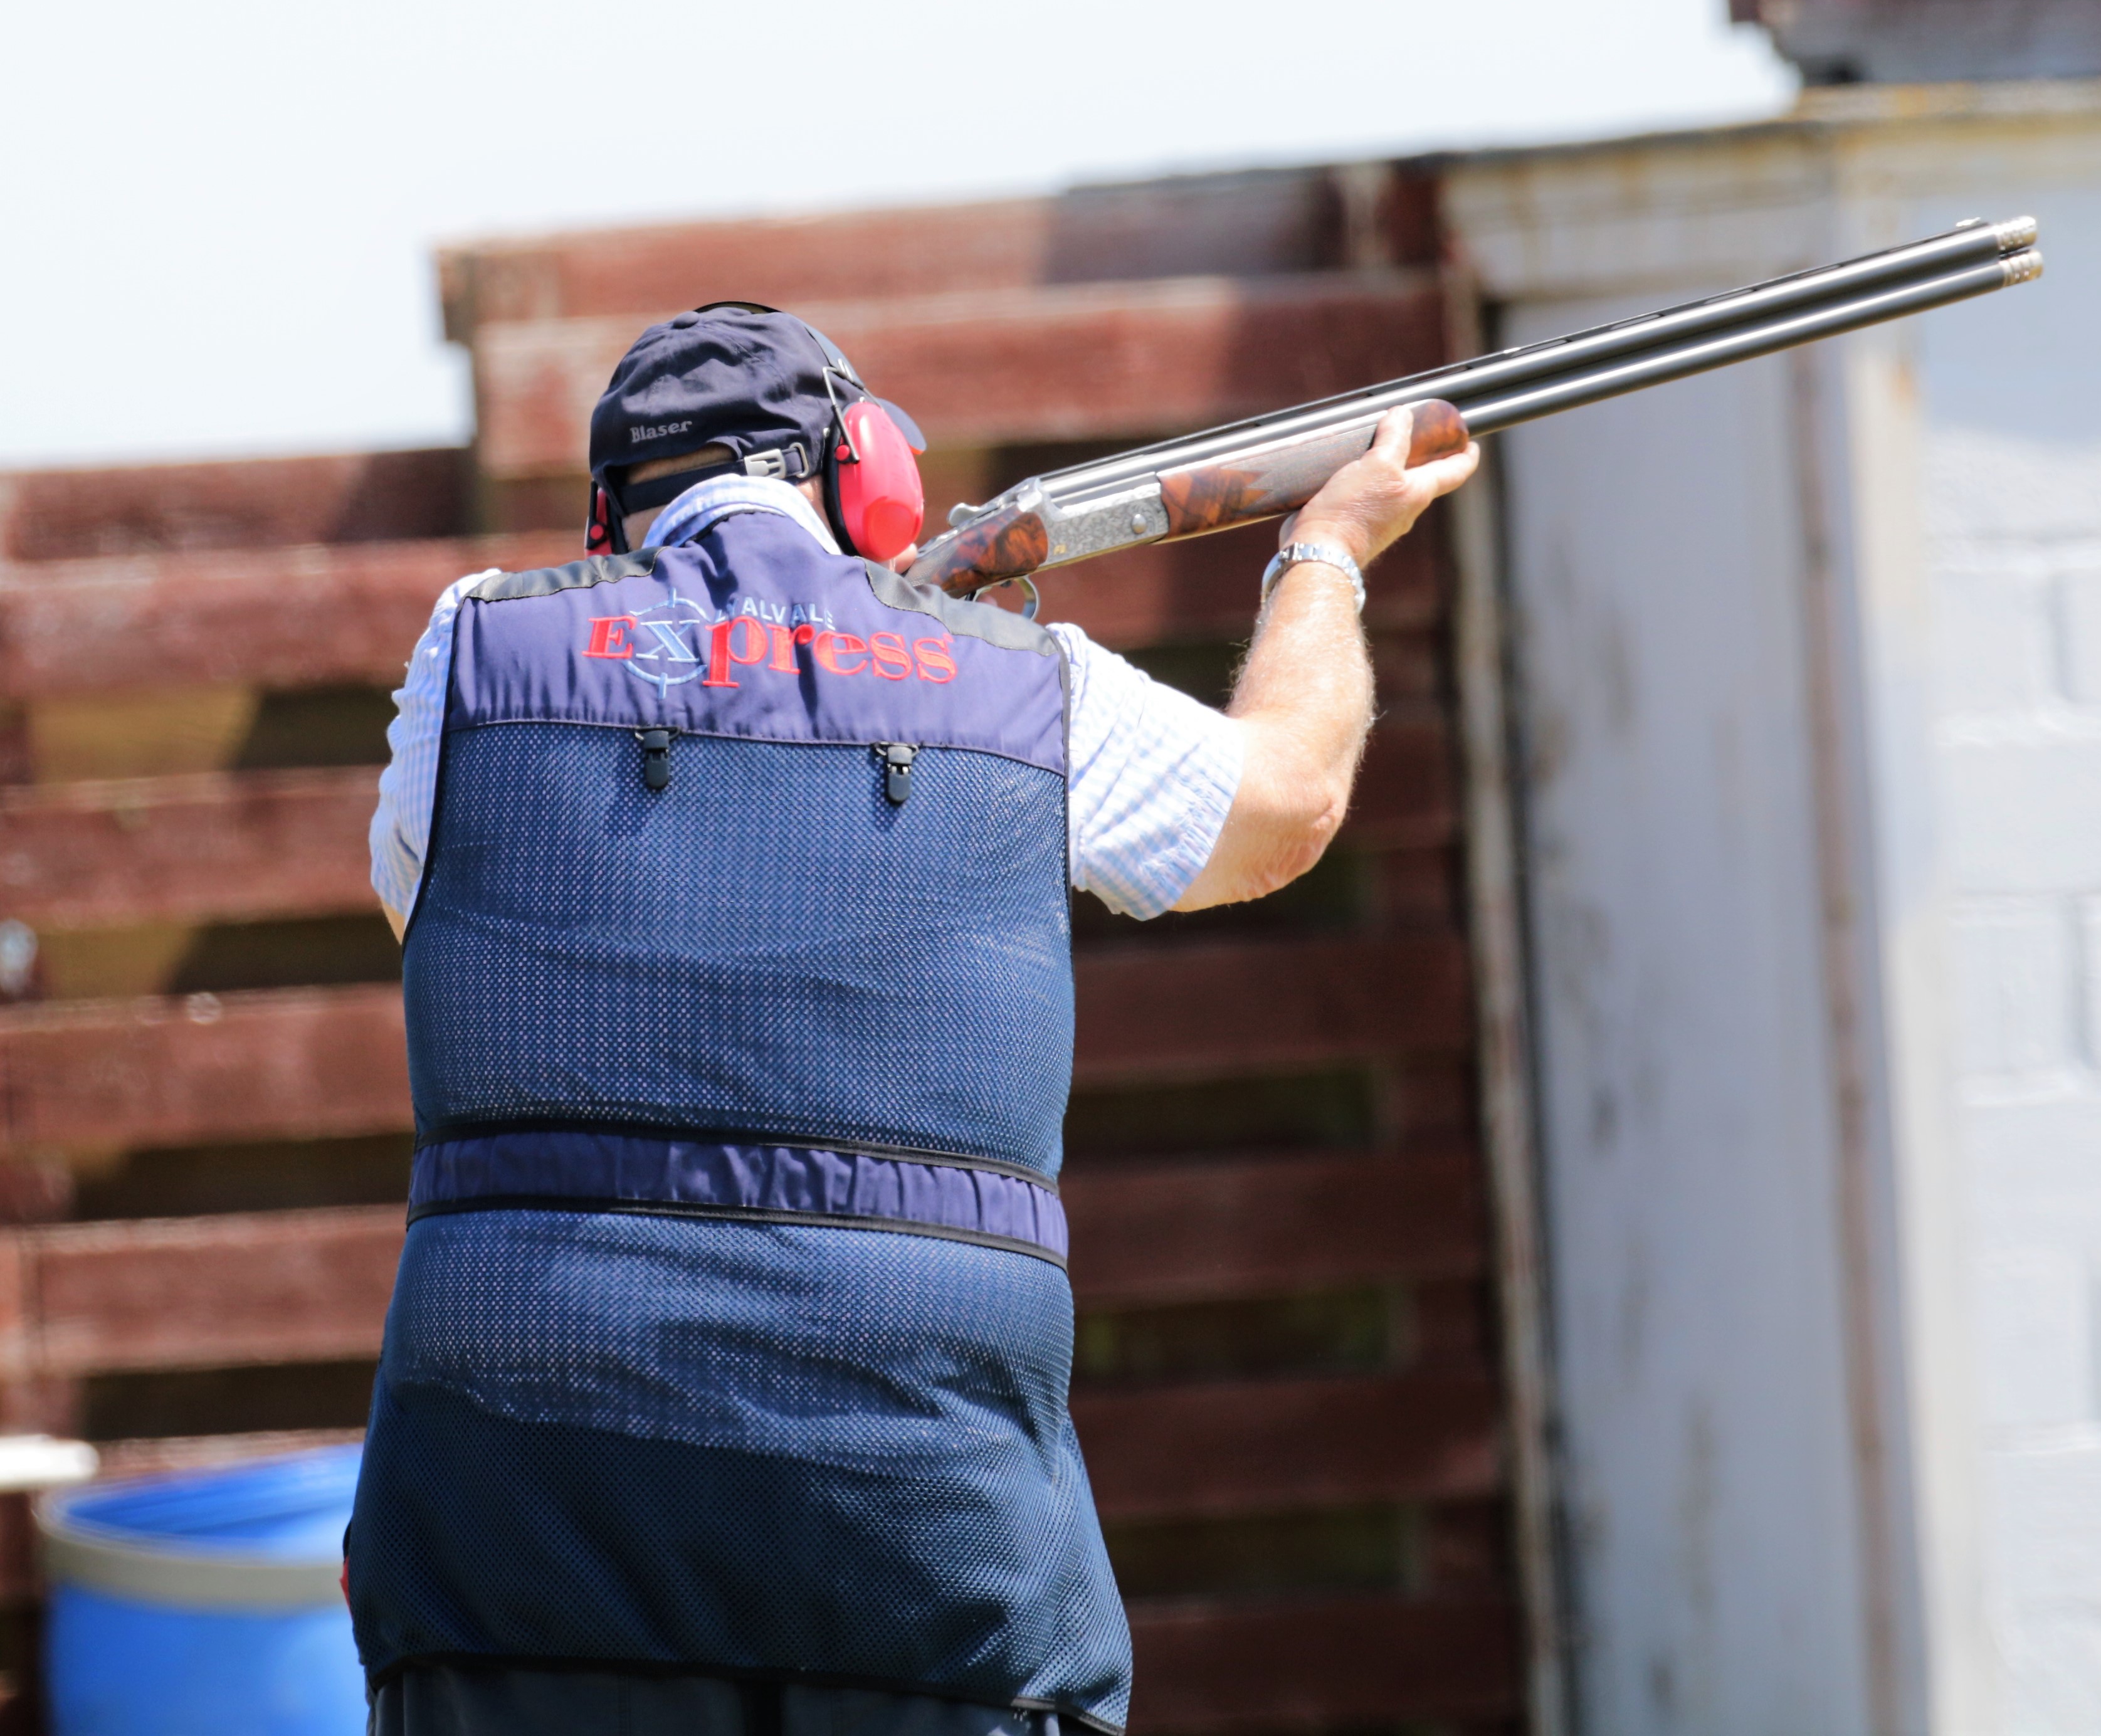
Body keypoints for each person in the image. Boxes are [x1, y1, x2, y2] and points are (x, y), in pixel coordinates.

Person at [344, 302, 1476, 1734]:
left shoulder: (471, 649)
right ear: (865, 471)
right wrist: (1325, 554)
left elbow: (441, 907)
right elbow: (1288, 803)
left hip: (514, 1532)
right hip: (925, 1530)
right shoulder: (1029, 681)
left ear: (605, 516)